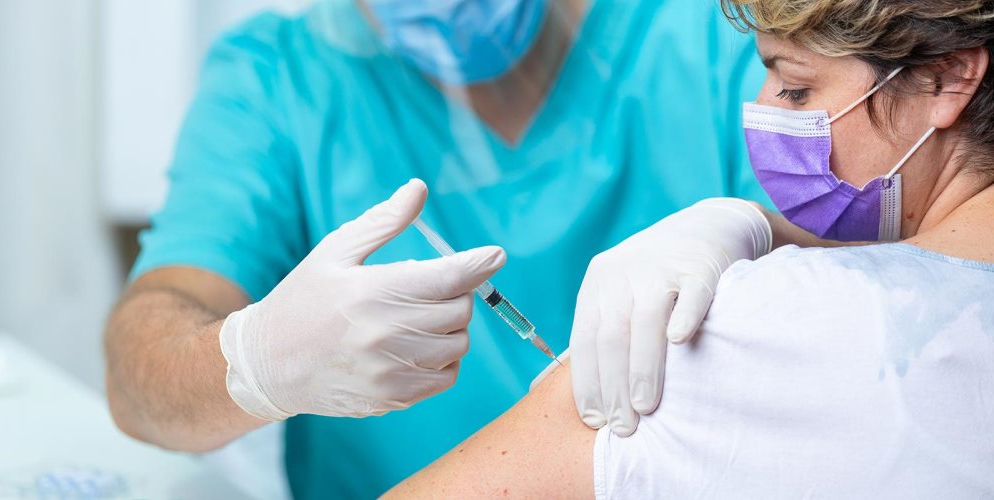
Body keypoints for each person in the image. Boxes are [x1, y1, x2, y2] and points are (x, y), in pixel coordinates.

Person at [104, 0, 781, 497]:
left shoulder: (723, 32)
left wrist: (756, 229)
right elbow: (141, 378)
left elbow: (859, 291)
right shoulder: (280, 79)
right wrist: (256, 361)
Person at [383, 0, 994, 497]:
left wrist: (279, 383)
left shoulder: (740, 328)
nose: (759, 109)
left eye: (797, 88)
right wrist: (764, 224)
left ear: (947, 80)